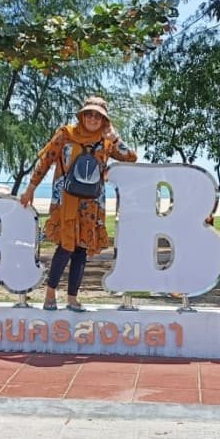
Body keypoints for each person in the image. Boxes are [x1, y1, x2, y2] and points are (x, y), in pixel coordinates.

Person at [20, 96, 137, 311]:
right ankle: (50, 293)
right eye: (89, 114)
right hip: (66, 200)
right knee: (65, 247)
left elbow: (131, 157)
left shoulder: (106, 141)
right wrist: (30, 188)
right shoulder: (66, 134)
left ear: (104, 120)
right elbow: (46, 160)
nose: (93, 118)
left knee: (81, 249)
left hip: (92, 204)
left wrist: (115, 138)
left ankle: (72, 298)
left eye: (98, 116)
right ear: (82, 116)